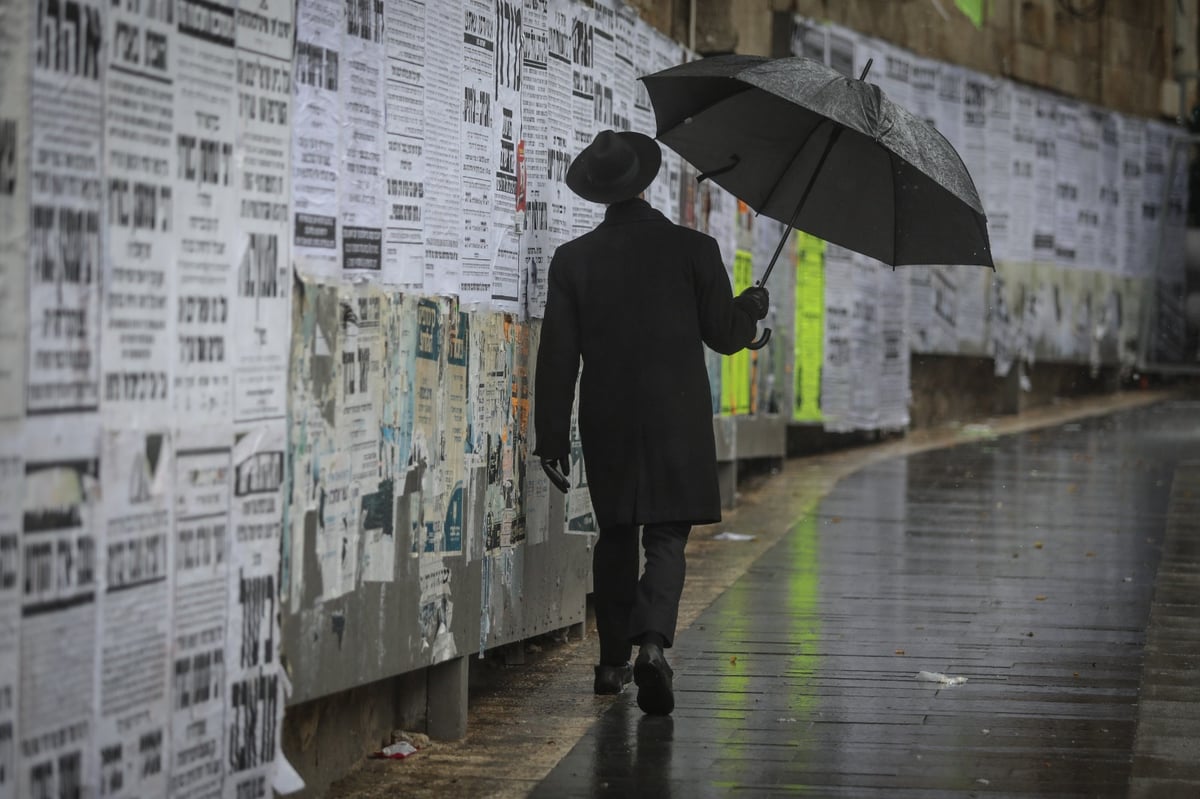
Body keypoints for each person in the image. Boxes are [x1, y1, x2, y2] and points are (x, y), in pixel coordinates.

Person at [533, 129, 769, 715]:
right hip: (676, 415)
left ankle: (612, 664)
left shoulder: (573, 260)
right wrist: (752, 308)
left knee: (615, 534)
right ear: (646, 182)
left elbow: (558, 355)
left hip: (608, 417)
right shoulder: (695, 250)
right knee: (667, 536)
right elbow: (723, 332)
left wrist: (552, 438)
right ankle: (654, 647)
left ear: (599, 193)